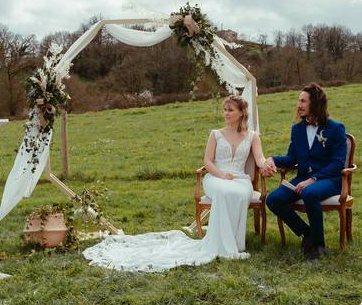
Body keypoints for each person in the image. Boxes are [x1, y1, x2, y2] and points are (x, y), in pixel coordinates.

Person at [83, 95, 267, 272]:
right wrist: (221, 174)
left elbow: (259, 159)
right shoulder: (216, 134)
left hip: (240, 179)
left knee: (236, 193)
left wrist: (268, 164)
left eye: (230, 110)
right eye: (224, 110)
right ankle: (224, 245)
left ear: (242, 113)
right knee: (225, 192)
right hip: (216, 177)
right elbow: (208, 162)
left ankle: (233, 243)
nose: (226, 113)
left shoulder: (252, 136)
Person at [263, 83, 348, 261]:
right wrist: (272, 160)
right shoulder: (297, 129)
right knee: (273, 199)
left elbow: (338, 163)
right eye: (298, 101)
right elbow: (291, 158)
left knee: (309, 193)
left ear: (315, 103)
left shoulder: (336, 128)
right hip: (303, 177)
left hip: (329, 179)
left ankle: (318, 246)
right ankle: (308, 233)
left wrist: (314, 179)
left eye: (303, 101)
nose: (299, 105)